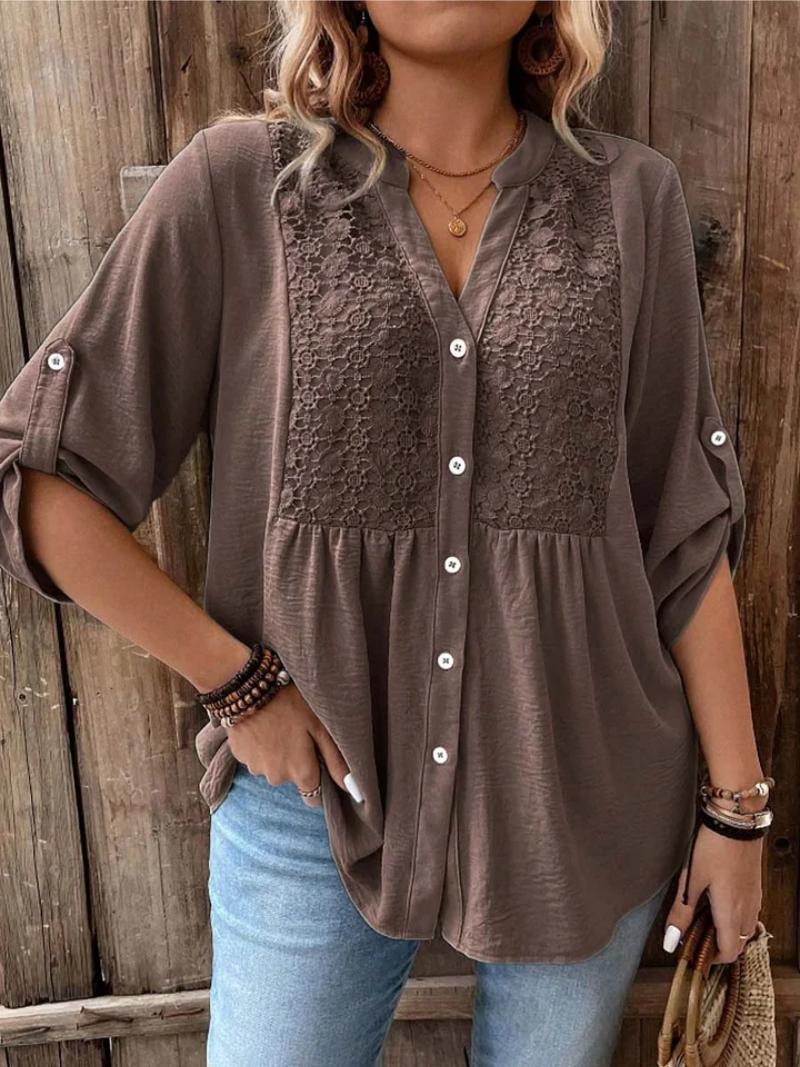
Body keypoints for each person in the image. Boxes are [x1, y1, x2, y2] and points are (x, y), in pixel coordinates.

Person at [0, 1, 773, 1065]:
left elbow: (681, 533)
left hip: (583, 793)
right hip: (308, 804)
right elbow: (42, 482)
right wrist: (238, 684)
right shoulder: (243, 185)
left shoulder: (629, 200)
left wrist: (737, 811)